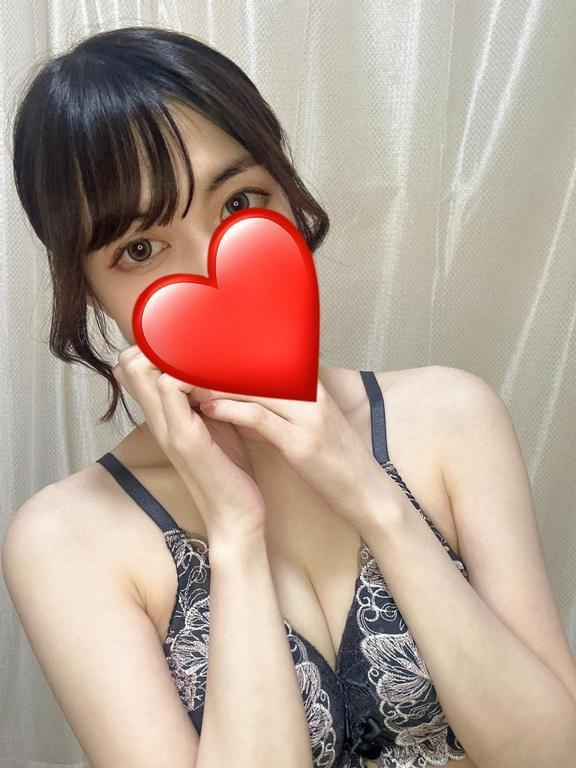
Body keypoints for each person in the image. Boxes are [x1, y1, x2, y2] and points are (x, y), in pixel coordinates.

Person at [3, 24, 576, 768]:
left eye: (240, 201)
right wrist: (234, 532)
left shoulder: (451, 418)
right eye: (139, 248)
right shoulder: (64, 539)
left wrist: (374, 499)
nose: (214, 266)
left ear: (288, 189)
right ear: (88, 291)